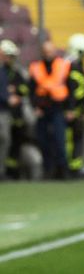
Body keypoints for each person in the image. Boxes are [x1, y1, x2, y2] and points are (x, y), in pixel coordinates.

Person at [29, 39, 70, 179]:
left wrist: (69, 109)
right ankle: (48, 170)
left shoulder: (63, 65)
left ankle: (63, 170)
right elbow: (31, 90)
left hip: (58, 108)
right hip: (42, 109)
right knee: (43, 141)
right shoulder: (36, 67)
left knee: (59, 140)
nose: (48, 54)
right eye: (45, 51)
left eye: (50, 51)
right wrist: (35, 107)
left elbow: (69, 87)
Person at [2, 40, 32, 180]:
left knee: (13, 142)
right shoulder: (3, 72)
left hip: (15, 114)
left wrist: (16, 92)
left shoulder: (16, 72)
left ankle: (11, 171)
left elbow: (24, 88)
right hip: (5, 110)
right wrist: (8, 94)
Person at [65, 34, 84, 177]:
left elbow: (83, 91)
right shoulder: (72, 68)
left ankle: (75, 167)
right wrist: (71, 109)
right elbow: (73, 91)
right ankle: (70, 168)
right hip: (73, 111)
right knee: (71, 140)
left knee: (77, 140)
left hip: (78, 110)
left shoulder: (76, 67)